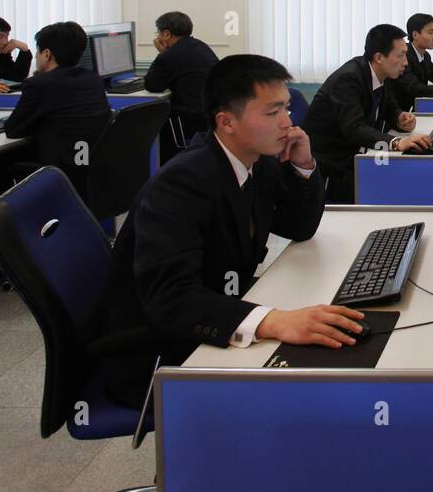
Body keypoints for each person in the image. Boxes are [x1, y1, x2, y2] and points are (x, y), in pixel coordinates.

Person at [99, 54, 362, 408]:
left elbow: (298, 227)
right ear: (226, 122)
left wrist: (303, 166)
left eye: (286, 108)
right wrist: (273, 321)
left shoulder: (257, 161)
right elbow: (171, 299)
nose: (288, 123)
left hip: (216, 308)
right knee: (322, 384)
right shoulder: (182, 184)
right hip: (158, 352)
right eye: (272, 113)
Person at [301, 24, 433, 203]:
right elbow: (354, 128)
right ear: (379, 57)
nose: (406, 62)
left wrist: (399, 118)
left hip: (359, 156)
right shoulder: (348, 79)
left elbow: (389, 108)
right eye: (401, 55)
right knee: (393, 189)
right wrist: (396, 143)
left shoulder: (380, 74)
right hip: (332, 166)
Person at [1, 21, 112, 197]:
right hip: (87, 165)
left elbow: (13, 130)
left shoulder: (40, 84)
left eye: (37, 51)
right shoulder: (92, 79)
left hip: (60, 169)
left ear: (46, 54)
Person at [144, 11, 219, 160]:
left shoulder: (170, 56)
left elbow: (152, 85)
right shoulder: (201, 46)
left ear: (166, 34)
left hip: (187, 123)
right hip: (209, 118)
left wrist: (162, 53)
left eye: (158, 33)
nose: (157, 37)